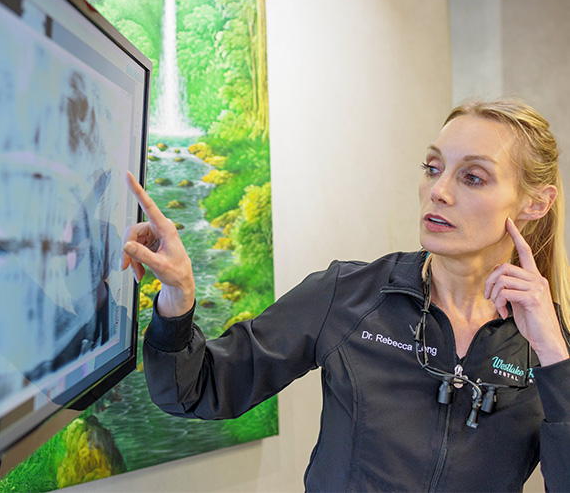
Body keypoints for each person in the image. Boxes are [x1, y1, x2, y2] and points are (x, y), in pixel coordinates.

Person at [120, 99, 570, 491]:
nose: (439, 191)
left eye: (472, 178)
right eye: (433, 168)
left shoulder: (551, 345)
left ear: (535, 203)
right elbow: (197, 389)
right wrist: (178, 297)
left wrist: (553, 352)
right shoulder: (349, 295)